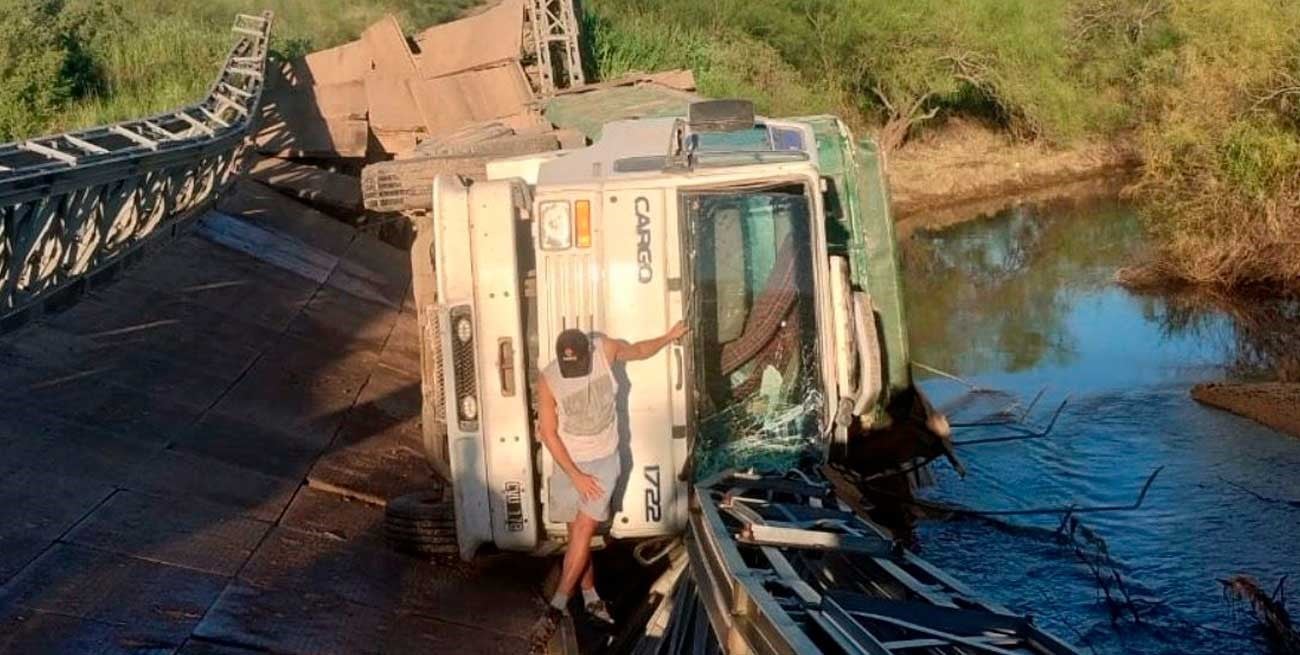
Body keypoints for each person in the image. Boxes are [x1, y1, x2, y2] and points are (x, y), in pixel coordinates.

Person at [529, 321, 688, 645]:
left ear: (588, 350)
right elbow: (548, 432)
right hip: (568, 461)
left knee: (584, 530)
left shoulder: (605, 349)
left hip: (603, 461)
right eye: (568, 367)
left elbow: (640, 350)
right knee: (576, 535)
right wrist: (574, 474)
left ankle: (557, 606)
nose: (573, 371)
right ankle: (589, 597)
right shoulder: (548, 379)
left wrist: (668, 336)